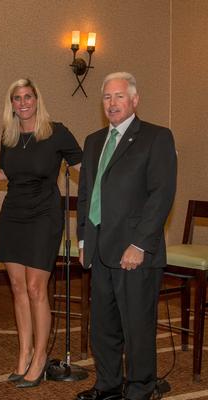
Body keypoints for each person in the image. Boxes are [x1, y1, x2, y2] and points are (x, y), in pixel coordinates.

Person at [76, 72, 177, 400]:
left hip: (134, 251)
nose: (112, 103)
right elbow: (85, 195)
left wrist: (140, 244)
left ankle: (140, 389)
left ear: (134, 100)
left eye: (119, 96)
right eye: (107, 97)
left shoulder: (155, 137)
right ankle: (107, 386)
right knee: (103, 327)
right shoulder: (93, 141)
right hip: (99, 249)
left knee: (137, 327)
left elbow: (161, 195)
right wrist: (82, 240)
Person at [0, 78, 82, 388]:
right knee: (17, 287)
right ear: (12, 103)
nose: (23, 102)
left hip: (44, 214)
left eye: (28, 96)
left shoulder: (56, 131)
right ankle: (24, 353)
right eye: (17, 97)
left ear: (37, 98)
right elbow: (6, 173)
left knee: (35, 288)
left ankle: (41, 356)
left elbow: (82, 164)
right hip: (13, 214)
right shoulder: (8, 134)